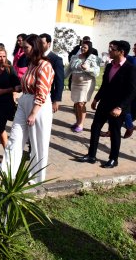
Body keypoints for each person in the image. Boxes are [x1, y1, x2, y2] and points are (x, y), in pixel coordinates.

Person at [0, 34, 54, 183]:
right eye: (23, 48)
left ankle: (36, 178)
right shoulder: (31, 64)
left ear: (35, 47)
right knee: (15, 138)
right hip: (25, 101)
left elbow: (42, 91)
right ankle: (7, 171)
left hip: (38, 106)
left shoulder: (45, 65)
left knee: (37, 143)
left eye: (26, 47)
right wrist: (9, 90)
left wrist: (34, 113)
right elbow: (24, 85)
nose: (24, 50)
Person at [78, 40, 136, 168]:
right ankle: (91, 155)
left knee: (115, 132)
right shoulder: (110, 66)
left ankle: (113, 159)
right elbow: (105, 85)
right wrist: (96, 99)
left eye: (112, 49)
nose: (109, 51)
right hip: (104, 104)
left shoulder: (130, 69)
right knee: (95, 128)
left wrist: (120, 107)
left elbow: (132, 91)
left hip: (118, 108)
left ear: (121, 52)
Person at [65, 41, 100, 132]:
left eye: (85, 47)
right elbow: (68, 70)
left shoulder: (93, 58)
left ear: (89, 48)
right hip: (75, 83)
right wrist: (60, 77)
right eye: (82, 47)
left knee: (81, 103)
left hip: (86, 84)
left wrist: (87, 68)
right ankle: (77, 122)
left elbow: (97, 72)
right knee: (76, 104)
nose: (83, 48)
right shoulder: (75, 57)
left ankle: (81, 124)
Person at [39, 33, 64, 113]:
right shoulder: (35, 57)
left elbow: (59, 81)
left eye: (42, 43)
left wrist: (56, 100)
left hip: (47, 96)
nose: (39, 46)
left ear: (49, 44)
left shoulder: (56, 59)